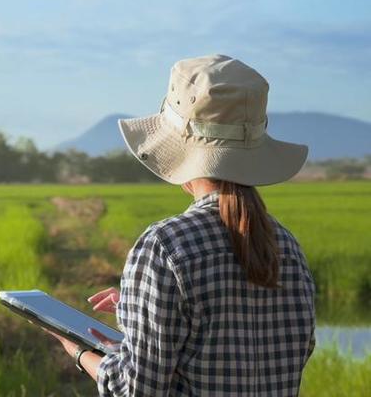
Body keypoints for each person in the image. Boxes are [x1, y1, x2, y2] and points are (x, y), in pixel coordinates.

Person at [48, 54, 316, 396]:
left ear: (179, 148)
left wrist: (78, 351)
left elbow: (136, 389)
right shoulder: (286, 246)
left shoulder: (165, 245)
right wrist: (137, 308)